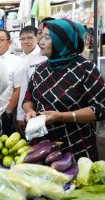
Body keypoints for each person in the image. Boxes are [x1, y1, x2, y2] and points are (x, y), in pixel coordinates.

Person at [23, 19, 105, 161]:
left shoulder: (85, 68)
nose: (40, 41)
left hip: (76, 146)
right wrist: (30, 111)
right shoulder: (41, 69)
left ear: (63, 41)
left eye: (47, 37)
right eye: (41, 36)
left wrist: (62, 116)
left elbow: (100, 109)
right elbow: (28, 99)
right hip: (41, 146)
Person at [0, 29, 25, 135]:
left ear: (9, 42)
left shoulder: (16, 61)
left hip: (5, 110)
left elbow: (18, 88)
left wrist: (9, 110)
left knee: (4, 143)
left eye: (1, 40)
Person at [16, 26, 47, 134]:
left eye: (29, 38)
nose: (26, 41)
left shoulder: (43, 57)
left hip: (41, 108)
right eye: (22, 39)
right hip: (24, 106)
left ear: (36, 38)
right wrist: (20, 115)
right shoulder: (18, 58)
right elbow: (23, 88)